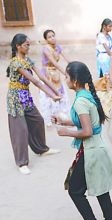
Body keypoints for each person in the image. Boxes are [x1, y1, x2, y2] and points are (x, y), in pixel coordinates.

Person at [54, 61, 112, 220]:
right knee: (101, 188)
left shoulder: (80, 101)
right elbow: (90, 123)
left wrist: (66, 132)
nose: (65, 79)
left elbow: (87, 131)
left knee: (75, 190)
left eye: (67, 76)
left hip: (91, 150)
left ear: (74, 81)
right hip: (97, 147)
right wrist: (66, 122)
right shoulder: (88, 96)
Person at [6, 33, 61, 175]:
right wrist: (52, 96)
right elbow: (35, 81)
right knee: (21, 131)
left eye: (29, 44)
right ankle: (22, 162)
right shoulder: (16, 62)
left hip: (25, 96)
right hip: (15, 98)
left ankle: (42, 149)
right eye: (26, 45)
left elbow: (41, 77)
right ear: (18, 46)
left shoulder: (27, 60)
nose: (28, 47)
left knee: (37, 121)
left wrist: (56, 90)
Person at [40, 29, 71, 127]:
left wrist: (73, 66)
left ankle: (60, 117)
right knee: (48, 95)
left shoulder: (58, 47)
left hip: (55, 73)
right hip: (47, 73)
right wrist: (67, 74)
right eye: (49, 37)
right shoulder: (46, 49)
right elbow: (54, 63)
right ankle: (49, 118)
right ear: (46, 39)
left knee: (60, 92)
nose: (52, 38)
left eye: (53, 35)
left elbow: (66, 58)